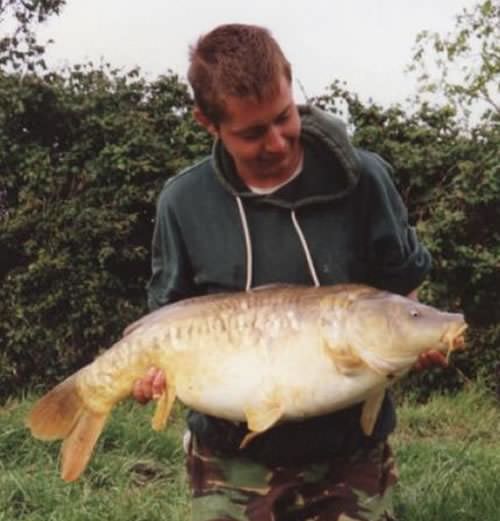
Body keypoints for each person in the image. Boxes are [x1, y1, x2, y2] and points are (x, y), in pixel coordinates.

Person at [132, 24, 446, 521]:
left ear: (291, 85)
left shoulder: (365, 181)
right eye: (252, 132)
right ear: (206, 123)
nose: (277, 143)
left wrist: (412, 343)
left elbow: (400, 289)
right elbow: (170, 318)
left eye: (284, 117)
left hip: (349, 453)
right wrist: (151, 374)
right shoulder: (182, 202)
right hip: (228, 459)